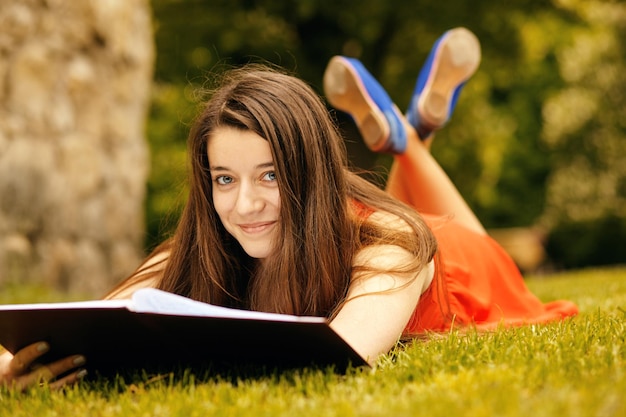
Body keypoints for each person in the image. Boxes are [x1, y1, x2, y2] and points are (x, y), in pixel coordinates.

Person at [0, 27, 578, 391]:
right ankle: (412, 135)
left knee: (452, 234)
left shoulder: (392, 251)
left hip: (455, 262)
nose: (244, 204)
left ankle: (408, 140)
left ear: (309, 172)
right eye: (224, 178)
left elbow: (344, 356)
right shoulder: (206, 243)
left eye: (270, 175)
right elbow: (95, 321)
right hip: (352, 223)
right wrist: (17, 369)